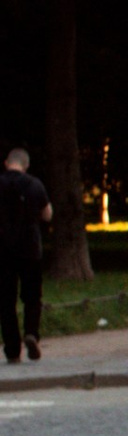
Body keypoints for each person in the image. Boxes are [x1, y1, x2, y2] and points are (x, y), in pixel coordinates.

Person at [0, 144, 51, 363]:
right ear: (26, 165)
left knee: (5, 301)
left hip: (2, 250)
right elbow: (47, 214)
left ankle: (12, 350)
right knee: (32, 297)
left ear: (6, 163)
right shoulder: (34, 184)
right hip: (30, 249)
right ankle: (32, 333)